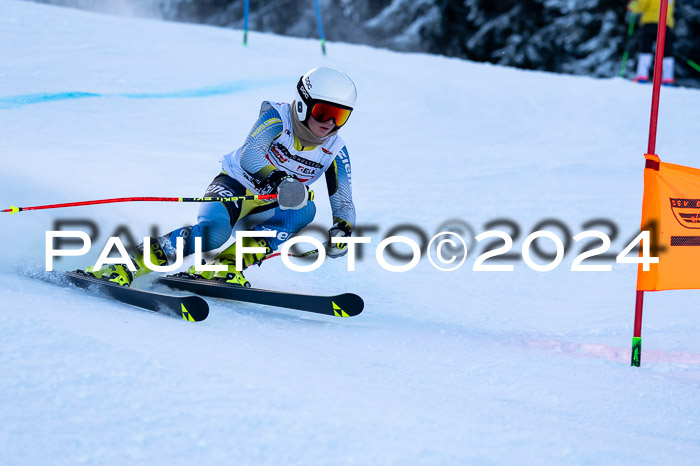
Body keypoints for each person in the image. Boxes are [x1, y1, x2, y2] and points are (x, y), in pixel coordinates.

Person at [86, 66, 357, 288]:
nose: (330, 123)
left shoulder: (334, 149)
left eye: (340, 116)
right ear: (302, 104)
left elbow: (343, 200)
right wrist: (279, 180)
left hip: (270, 206)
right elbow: (250, 155)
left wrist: (342, 230)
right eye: (324, 112)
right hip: (236, 186)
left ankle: (225, 265)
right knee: (213, 235)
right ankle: (128, 262)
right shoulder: (278, 117)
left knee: (304, 209)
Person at [628, 0, 676, 85]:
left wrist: (632, 5)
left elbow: (641, 6)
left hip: (649, 23)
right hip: (665, 23)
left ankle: (642, 76)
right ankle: (667, 78)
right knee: (667, 51)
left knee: (646, 49)